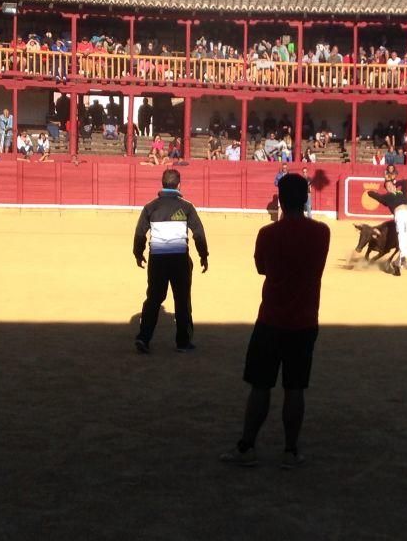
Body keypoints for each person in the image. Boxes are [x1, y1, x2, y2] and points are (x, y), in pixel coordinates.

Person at [221, 173, 330, 469]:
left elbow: (261, 269)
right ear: (305, 199)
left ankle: (247, 447)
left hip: (270, 320)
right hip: (305, 321)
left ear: (280, 200)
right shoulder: (322, 233)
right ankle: (291, 451)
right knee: (295, 388)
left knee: (260, 386)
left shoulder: (267, 234)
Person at [133, 169, 209, 354]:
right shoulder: (187, 207)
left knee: (154, 298)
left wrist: (138, 253)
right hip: (179, 259)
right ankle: (183, 342)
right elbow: (198, 234)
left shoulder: (150, 207)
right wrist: (203, 255)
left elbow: (140, 233)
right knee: (182, 299)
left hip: (157, 258)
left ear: (162, 183)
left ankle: (144, 337)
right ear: (179, 185)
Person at [367, 178, 407, 276]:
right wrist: (372, 191)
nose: (389, 187)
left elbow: (405, 181)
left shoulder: (402, 192)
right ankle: (401, 259)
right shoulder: (386, 197)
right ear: (386, 189)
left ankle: (396, 263)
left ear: (394, 186)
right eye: (387, 187)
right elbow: (371, 194)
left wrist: (394, 183)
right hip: (400, 214)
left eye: (391, 185)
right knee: (402, 235)